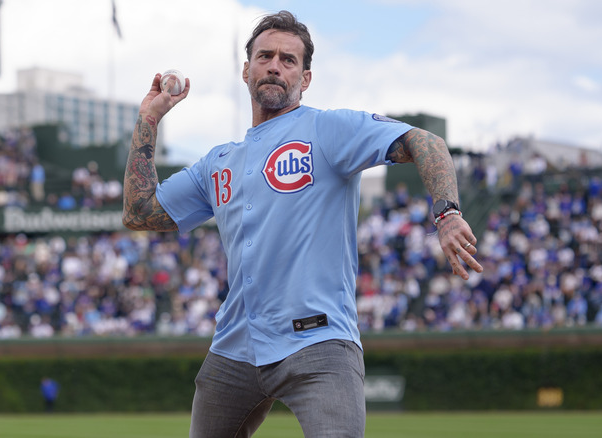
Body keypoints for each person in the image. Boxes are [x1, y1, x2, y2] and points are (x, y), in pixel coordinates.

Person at [123, 10, 483, 438]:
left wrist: (447, 214)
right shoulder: (217, 162)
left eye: (288, 60)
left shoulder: (326, 128)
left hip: (319, 341)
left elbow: (426, 142)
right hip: (235, 347)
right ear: (246, 70)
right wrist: (149, 118)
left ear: (305, 78)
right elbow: (139, 211)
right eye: (265, 56)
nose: (275, 65)